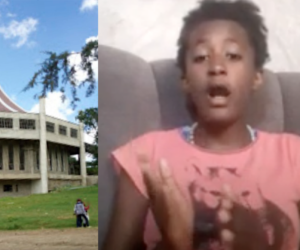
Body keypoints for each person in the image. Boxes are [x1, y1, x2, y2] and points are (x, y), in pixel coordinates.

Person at [102, 1, 300, 250]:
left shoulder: (294, 155)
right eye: (201, 57)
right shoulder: (145, 157)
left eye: (233, 55)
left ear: (256, 76)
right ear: (185, 79)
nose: (216, 67)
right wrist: (174, 244)